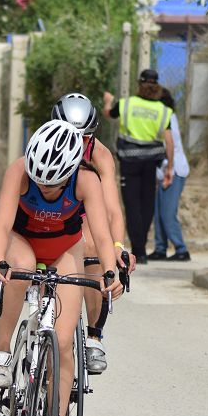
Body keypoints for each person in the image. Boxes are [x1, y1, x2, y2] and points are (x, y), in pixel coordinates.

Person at [0, 120, 123, 416]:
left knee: (63, 343)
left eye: (54, 184)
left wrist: (110, 271)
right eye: (41, 182)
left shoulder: (86, 181)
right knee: (20, 266)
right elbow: (1, 227)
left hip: (65, 248)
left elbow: (103, 237)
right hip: (23, 241)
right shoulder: (19, 171)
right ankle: (2, 346)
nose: (46, 190)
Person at [50, 92, 134, 374]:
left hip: (87, 209)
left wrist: (118, 246)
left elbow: (112, 210)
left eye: (84, 136)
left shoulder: (99, 155)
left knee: (97, 247)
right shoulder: (45, 145)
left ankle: (94, 336)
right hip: (53, 209)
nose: (77, 142)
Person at [102, 69, 174, 264]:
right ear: (157, 85)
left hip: (129, 162)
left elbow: (108, 114)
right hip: (151, 163)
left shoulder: (126, 104)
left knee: (132, 205)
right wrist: (170, 168)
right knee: (147, 204)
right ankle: (141, 246)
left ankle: (139, 250)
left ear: (139, 84)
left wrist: (108, 100)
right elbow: (169, 141)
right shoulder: (163, 110)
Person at [150, 90, 191, 261]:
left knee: (167, 212)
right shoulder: (161, 117)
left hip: (174, 171)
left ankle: (181, 249)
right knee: (159, 212)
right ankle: (160, 248)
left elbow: (171, 144)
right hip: (164, 172)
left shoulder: (168, 117)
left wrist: (169, 170)